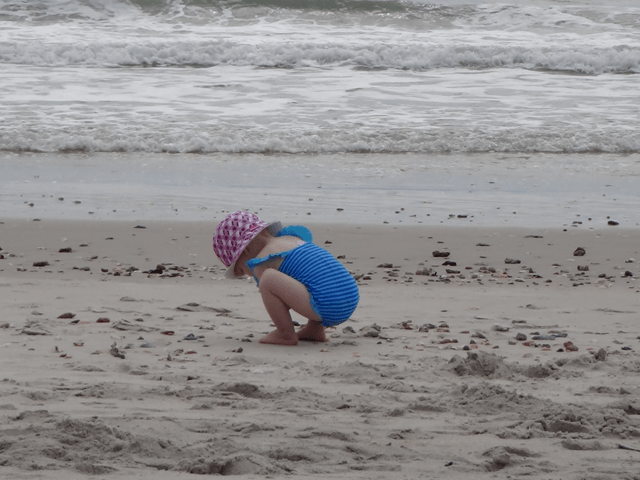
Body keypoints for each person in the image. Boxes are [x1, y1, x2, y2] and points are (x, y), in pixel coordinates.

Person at [213, 211, 359, 346]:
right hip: (350, 296)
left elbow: (278, 299)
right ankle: (314, 330)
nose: (246, 274)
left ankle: (285, 334)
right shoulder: (292, 239)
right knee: (312, 279)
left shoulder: (261, 262)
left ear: (245, 251)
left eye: (240, 270)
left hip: (327, 306)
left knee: (268, 280)